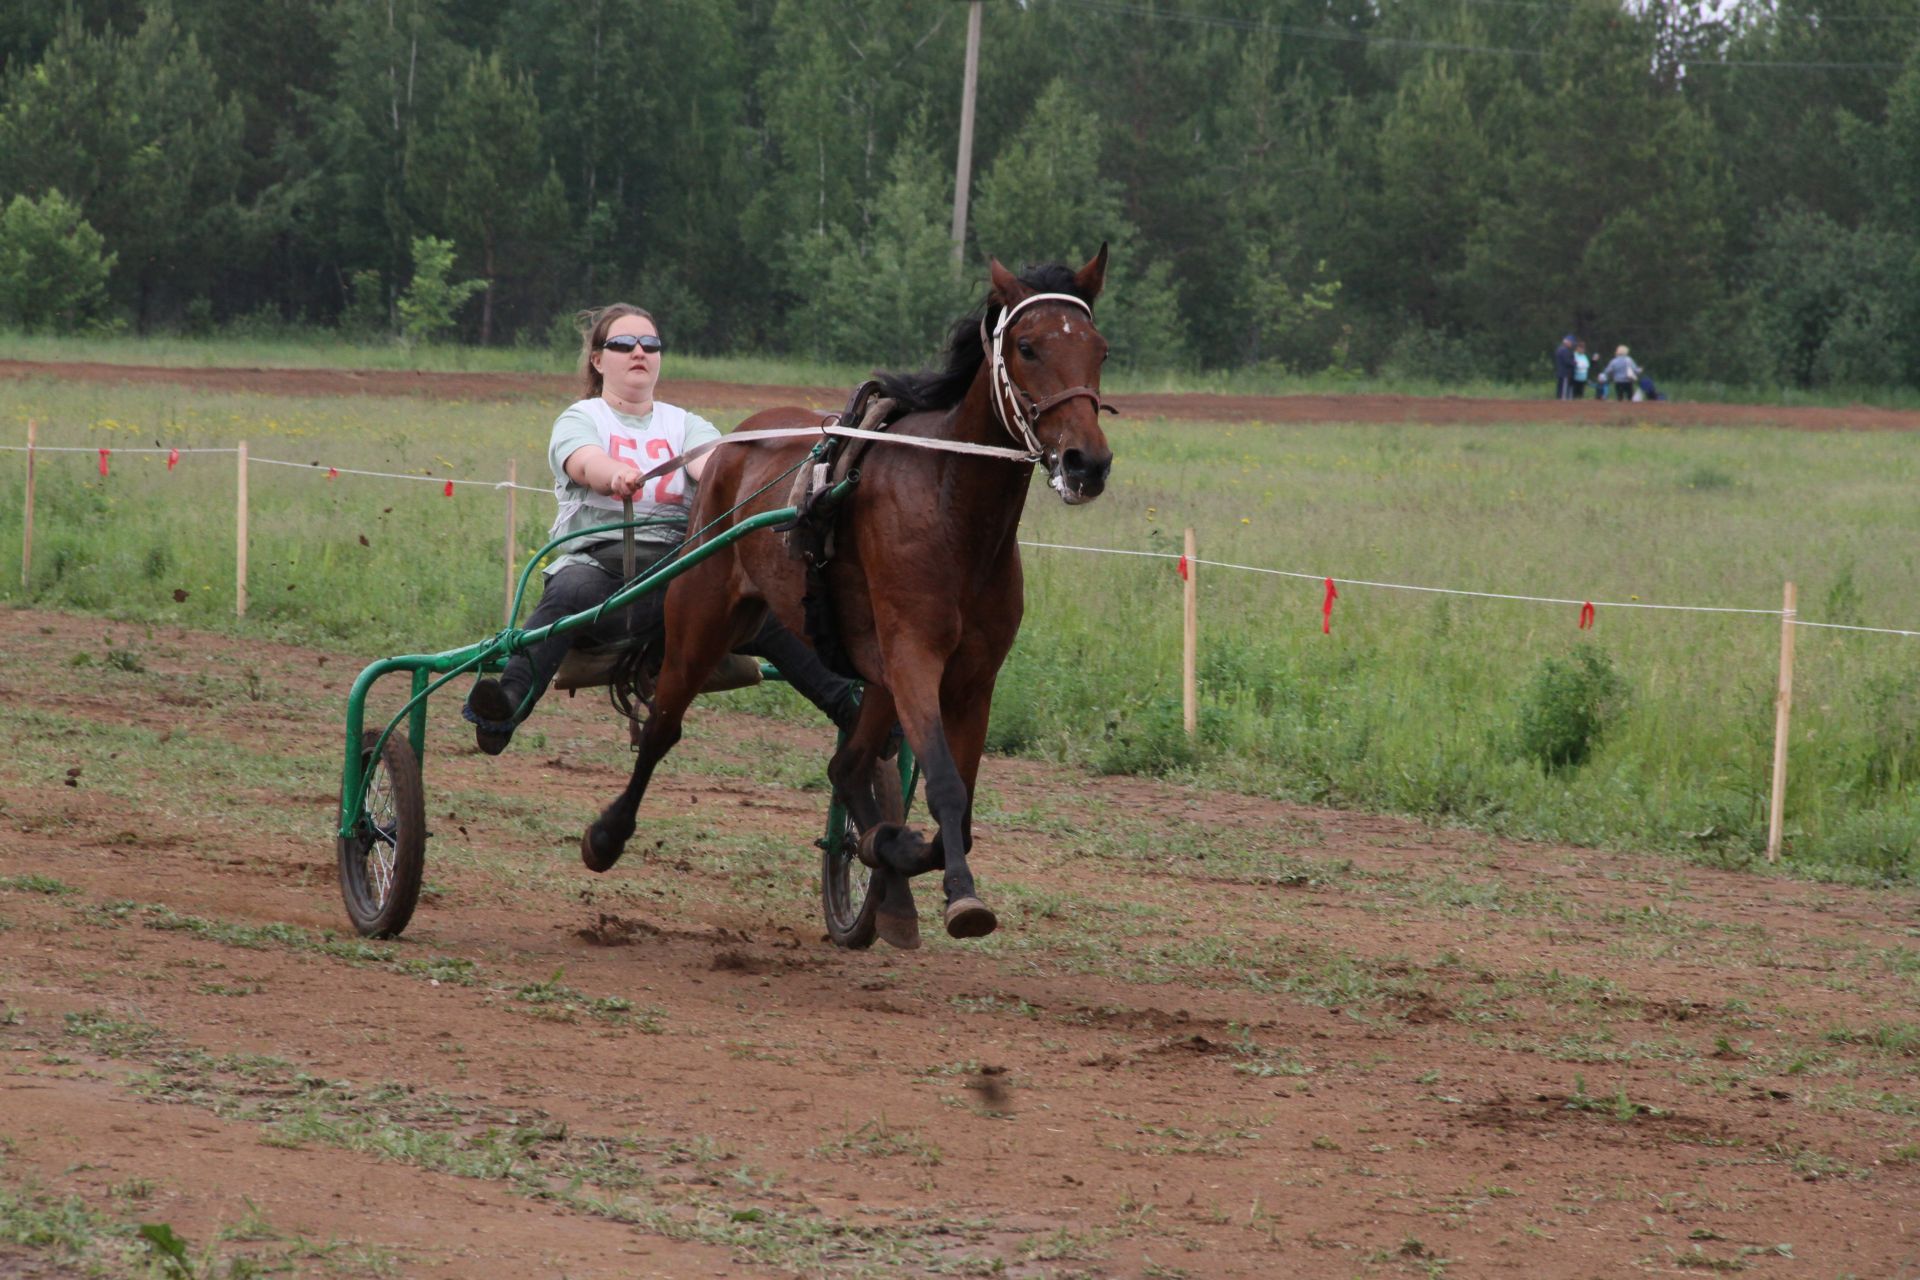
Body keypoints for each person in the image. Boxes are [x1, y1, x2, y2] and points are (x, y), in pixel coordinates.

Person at [463, 303, 862, 754]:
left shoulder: (685, 423)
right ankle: (505, 707)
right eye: (623, 344)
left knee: (760, 604)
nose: (639, 352)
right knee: (569, 593)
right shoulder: (582, 418)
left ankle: (853, 709)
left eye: (649, 344)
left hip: (683, 570)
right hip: (603, 569)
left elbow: (712, 465)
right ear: (598, 360)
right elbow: (584, 461)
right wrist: (613, 473)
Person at [1553, 334, 1576, 400]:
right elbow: (1567, 361)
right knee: (1563, 393)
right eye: (1571, 342)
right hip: (1565, 373)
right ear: (1567, 342)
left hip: (1562, 373)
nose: (1572, 344)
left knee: (1561, 391)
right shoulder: (1564, 350)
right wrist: (1575, 363)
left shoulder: (1561, 349)